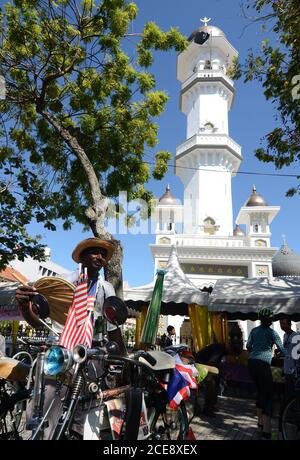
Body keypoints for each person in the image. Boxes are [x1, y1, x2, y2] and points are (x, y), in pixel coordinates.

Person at [15, 237, 127, 439]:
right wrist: (25, 307)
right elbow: (38, 321)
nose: (99, 256)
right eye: (94, 251)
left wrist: (124, 360)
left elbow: (113, 328)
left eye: (102, 254)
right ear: (81, 257)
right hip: (59, 354)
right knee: (46, 410)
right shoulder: (63, 283)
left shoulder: (105, 288)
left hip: (91, 357)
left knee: (83, 414)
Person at [246, 307, 286, 440]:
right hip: (263, 365)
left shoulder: (254, 330)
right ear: (270, 321)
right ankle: (267, 431)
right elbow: (282, 350)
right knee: (268, 395)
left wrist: (257, 347)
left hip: (252, 363)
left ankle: (260, 422)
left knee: (260, 392)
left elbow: (248, 346)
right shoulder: (273, 333)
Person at [195, 339, 242, 417]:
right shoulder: (219, 349)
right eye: (232, 353)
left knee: (216, 382)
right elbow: (211, 362)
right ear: (230, 347)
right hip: (201, 365)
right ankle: (207, 409)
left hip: (207, 365)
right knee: (211, 384)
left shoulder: (223, 348)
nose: (231, 355)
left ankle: (211, 406)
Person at [279, 317, 300, 402]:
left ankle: (294, 411)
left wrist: (297, 368)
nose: (282, 326)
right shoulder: (285, 335)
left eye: (284, 323)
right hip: (287, 369)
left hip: (294, 370)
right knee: (288, 393)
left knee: (295, 393)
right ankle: (289, 412)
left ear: (289, 324)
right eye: (281, 324)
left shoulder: (296, 336)